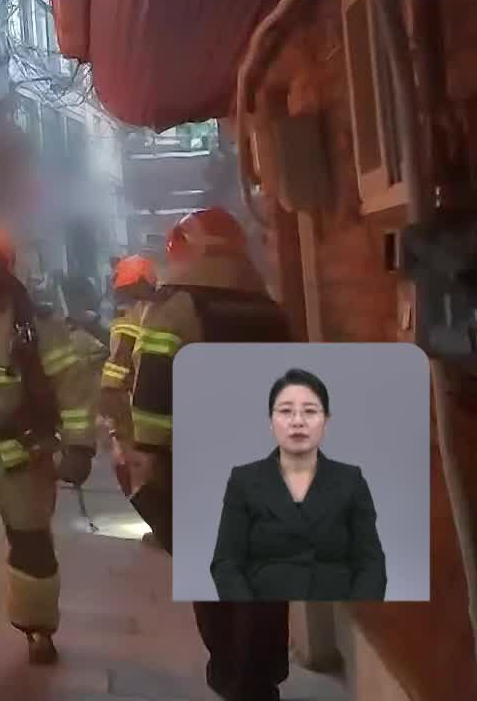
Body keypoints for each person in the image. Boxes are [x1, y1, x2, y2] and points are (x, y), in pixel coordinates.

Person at [117, 207, 298, 701]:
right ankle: (260, 680)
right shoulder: (273, 310)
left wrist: (149, 462)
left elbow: (152, 399)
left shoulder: (175, 310)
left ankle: (233, 680)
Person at [0, 222, 104, 674]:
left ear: (4, 269)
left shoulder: (35, 323)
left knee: (30, 545)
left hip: (23, 457)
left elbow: (70, 384)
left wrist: (79, 446)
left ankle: (38, 628)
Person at [210, 368, 387, 601]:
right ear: (271, 421)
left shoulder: (350, 481)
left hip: (338, 610)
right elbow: (226, 564)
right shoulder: (244, 481)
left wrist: (357, 611)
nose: (297, 422)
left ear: (326, 421)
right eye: (285, 411)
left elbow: (371, 565)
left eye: (310, 411)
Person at [97, 255, 159, 506]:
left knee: (132, 459)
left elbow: (120, 359)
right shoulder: (152, 311)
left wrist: (108, 398)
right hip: (148, 395)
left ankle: (154, 517)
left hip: (127, 398)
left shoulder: (130, 315)